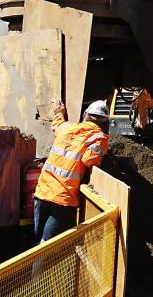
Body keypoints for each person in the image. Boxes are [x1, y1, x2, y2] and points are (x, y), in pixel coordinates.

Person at [33, 99, 110, 243]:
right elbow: (89, 160)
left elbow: (57, 125)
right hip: (63, 199)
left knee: (37, 242)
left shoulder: (67, 128)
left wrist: (59, 113)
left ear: (86, 115)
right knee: (47, 248)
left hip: (42, 192)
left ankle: (31, 264)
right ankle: (39, 267)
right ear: (104, 122)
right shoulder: (99, 138)